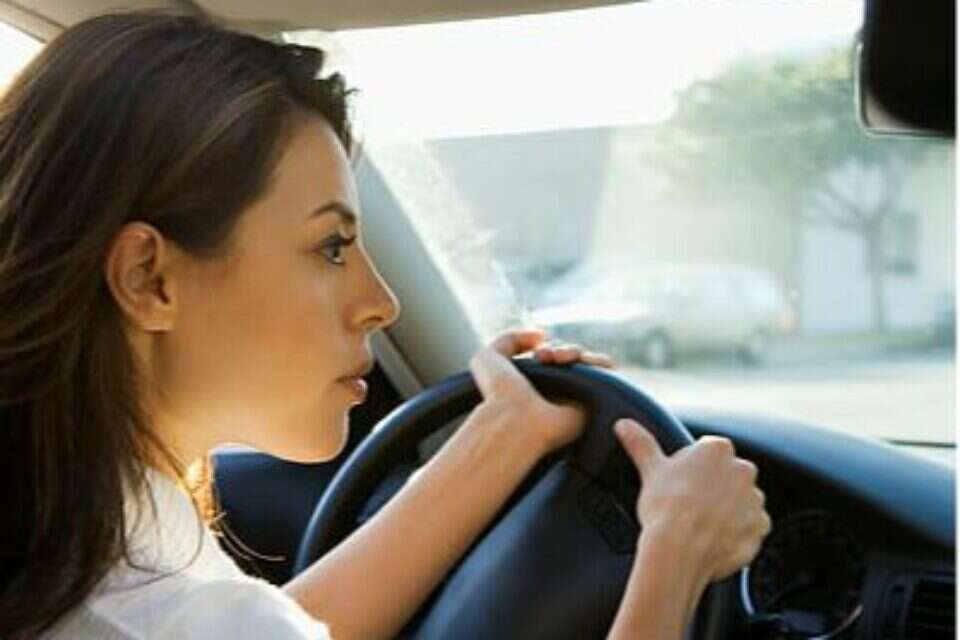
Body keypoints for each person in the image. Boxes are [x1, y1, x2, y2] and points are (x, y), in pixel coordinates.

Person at [0, 11, 770, 640]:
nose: (382, 302)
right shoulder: (161, 609)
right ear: (149, 279)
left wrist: (503, 436)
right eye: (331, 247)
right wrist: (677, 555)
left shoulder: (71, 551)